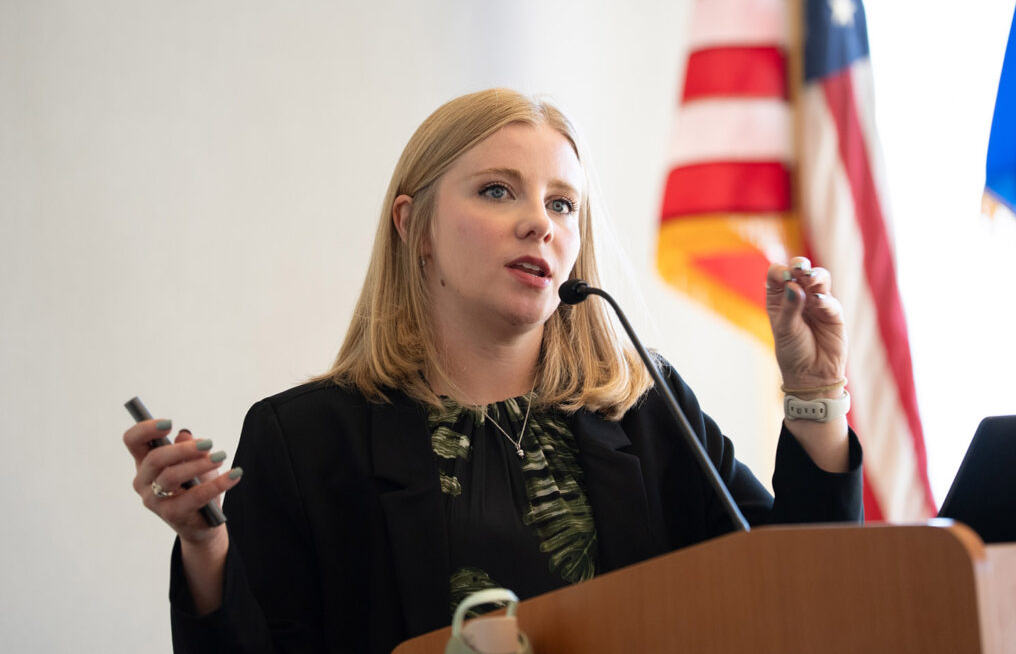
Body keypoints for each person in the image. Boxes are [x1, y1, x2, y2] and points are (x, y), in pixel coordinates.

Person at [123, 88, 862, 653]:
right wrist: (206, 544)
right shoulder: (307, 437)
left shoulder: (644, 409)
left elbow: (799, 594)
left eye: (563, 203)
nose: (540, 221)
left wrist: (811, 391)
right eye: (497, 190)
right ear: (413, 226)